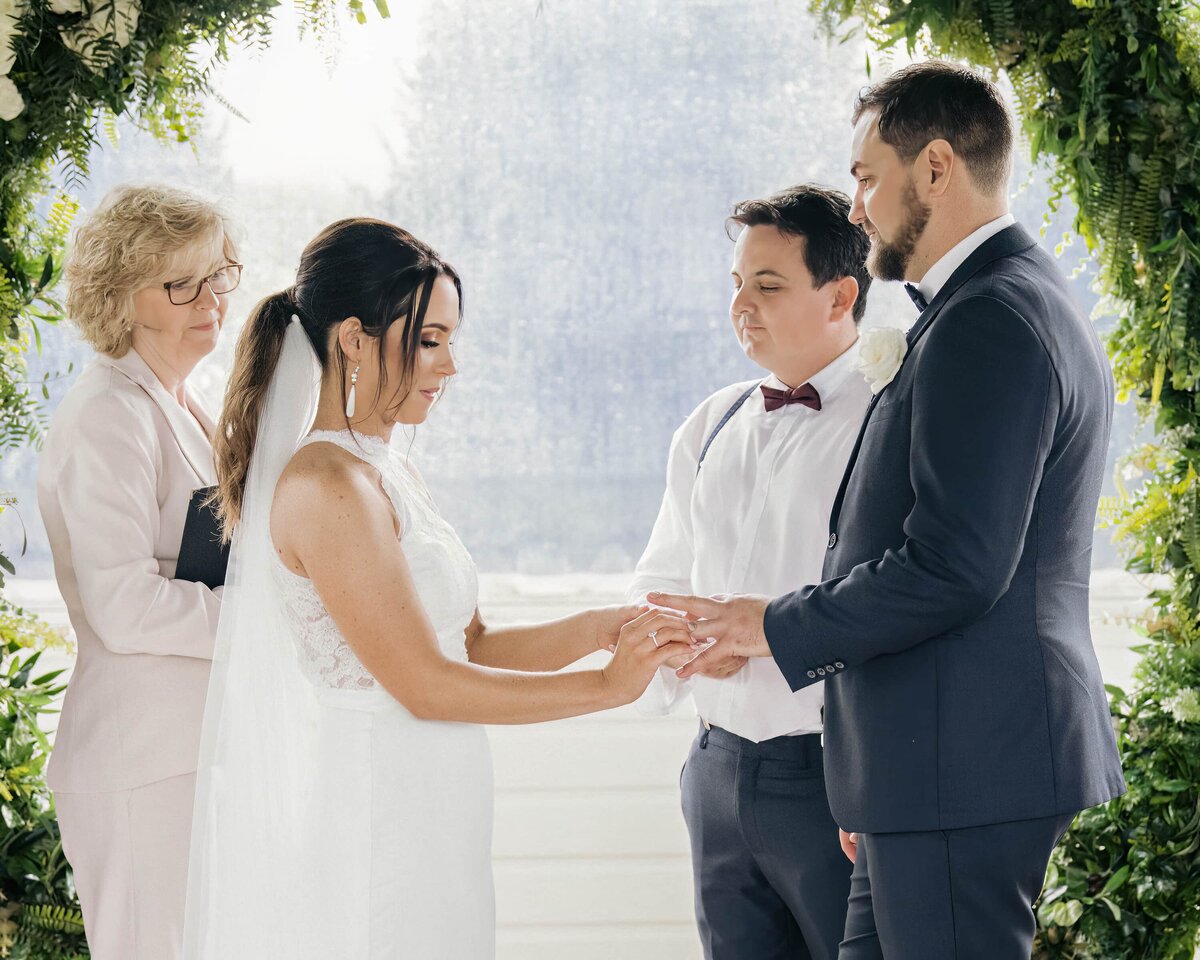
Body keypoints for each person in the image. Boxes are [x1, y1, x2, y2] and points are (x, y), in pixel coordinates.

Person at [651, 60, 1125, 959]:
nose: (858, 205)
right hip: (926, 768)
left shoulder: (991, 317)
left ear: (936, 167)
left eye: (868, 177)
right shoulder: (1000, 301)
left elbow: (956, 565)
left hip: (962, 763)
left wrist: (773, 625)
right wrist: (868, 780)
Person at [183, 217, 695, 959]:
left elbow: (472, 643)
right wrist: (606, 690)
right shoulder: (328, 484)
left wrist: (599, 629)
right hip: (380, 801)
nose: (449, 365)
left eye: (451, 339)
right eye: (429, 340)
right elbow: (425, 684)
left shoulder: (385, 470)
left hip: (437, 792)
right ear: (353, 339)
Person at [630, 184, 871, 960]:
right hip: (715, 766)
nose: (743, 306)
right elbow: (661, 577)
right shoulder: (713, 421)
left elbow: (897, 600)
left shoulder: (888, 420)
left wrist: (765, 634)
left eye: (768, 287)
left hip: (832, 775)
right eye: (737, 285)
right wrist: (684, 646)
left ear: (841, 296)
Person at [37, 183, 240, 960]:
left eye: (217, 274)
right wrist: (264, 626)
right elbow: (122, 605)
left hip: (191, 748)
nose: (209, 299)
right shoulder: (107, 415)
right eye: (179, 283)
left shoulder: (187, 404)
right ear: (122, 298)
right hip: (139, 758)